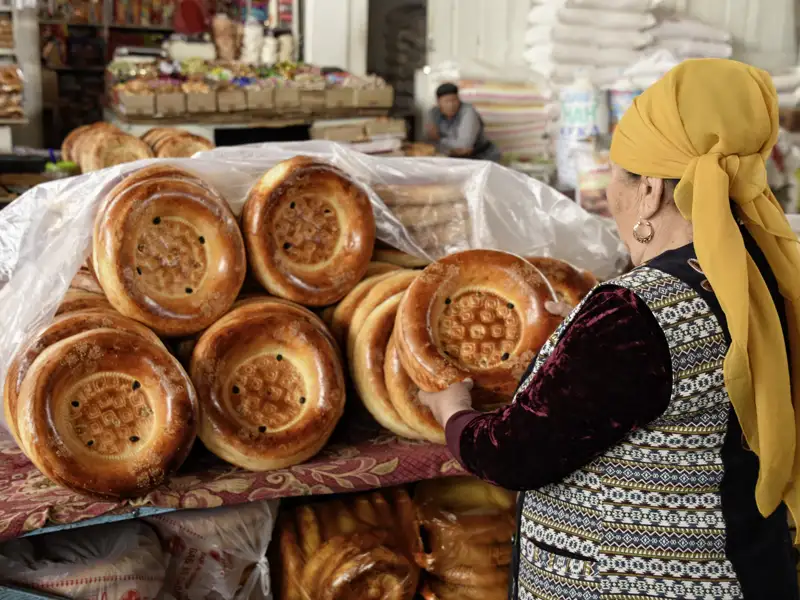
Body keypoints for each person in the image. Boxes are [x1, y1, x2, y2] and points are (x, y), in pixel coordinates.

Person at [419, 59, 800, 599]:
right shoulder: (766, 274)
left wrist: (451, 410)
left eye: (617, 175)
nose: (608, 194)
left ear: (649, 191)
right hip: (748, 566)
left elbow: (514, 452)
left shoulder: (632, 312)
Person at [426, 82, 501, 162]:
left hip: (482, 157)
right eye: (447, 101)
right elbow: (429, 142)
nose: (451, 105)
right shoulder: (434, 113)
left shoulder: (468, 111)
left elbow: (464, 145)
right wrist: (448, 147)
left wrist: (439, 139)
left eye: (454, 100)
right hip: (456, 158)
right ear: (438, 102)